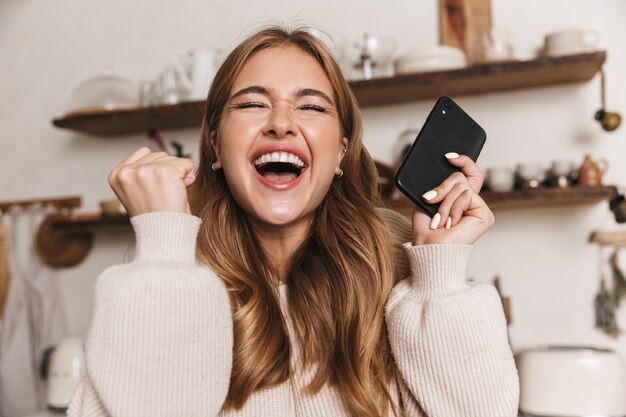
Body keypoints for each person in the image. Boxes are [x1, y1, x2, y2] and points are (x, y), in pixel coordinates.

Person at [67, 25, 519, 417]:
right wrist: (164, 248)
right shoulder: (172, 271)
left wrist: (439, 274)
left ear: (341, 152)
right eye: (251, 104)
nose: (281, 124)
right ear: (217, 148)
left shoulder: (400, 266)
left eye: (311, 107)